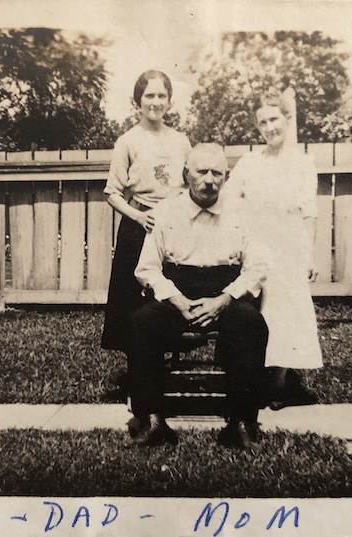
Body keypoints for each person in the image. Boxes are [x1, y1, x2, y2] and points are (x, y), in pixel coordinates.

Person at [127, 143, 269, 450]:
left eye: (217, 173)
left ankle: (242, 423)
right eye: (201, 171)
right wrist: (176, 299)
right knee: (141, 323)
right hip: (178, 289)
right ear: (185, 174)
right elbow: (147, 268)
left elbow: (257, 268)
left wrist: (225, 299)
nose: (209, 180)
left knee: (251, 322)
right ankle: (152, 421)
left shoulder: (242, 212)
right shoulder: (165, 211)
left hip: (226, 291)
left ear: (226, 177)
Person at [226, 87, 322, 410]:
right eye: (262, 122)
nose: (269, 128)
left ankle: (279, 383)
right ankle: (253, 376)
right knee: (256, 310)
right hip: (256, 244)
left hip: (289, 244)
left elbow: (309, 213)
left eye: (274, 119)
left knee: (285, 312)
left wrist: (308, 253)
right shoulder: (251, 162)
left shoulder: (303, 163)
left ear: (287, 118)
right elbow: (228, 197)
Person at [101, 70, 192, 354]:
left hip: (175, 228)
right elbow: (112, 193)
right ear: (138, 100)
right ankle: (140, 365)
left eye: (161, 95)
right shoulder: (128, 141)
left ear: (169, 100)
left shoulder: (181, 141)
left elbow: (191, 186)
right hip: (139, 225)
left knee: (173, 292)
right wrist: (139, 216)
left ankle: (170, 357)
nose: (155, 102)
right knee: (133, 298)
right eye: (149, 95)